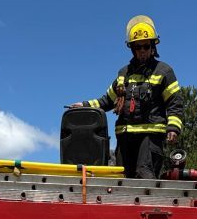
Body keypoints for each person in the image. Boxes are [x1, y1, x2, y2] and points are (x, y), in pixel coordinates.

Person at [68, 15, 184, 179]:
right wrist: (85, 105)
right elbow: (107, 100)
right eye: (138, 47)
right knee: (123, 177)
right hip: (125, 138)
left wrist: (173, 128)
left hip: (150, 136)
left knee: (145, 173)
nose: (142, 51)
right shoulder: (123, 74)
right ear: (132, 48)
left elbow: (175, 102)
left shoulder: (164, 71)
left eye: (146, 46)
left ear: (153, 47)